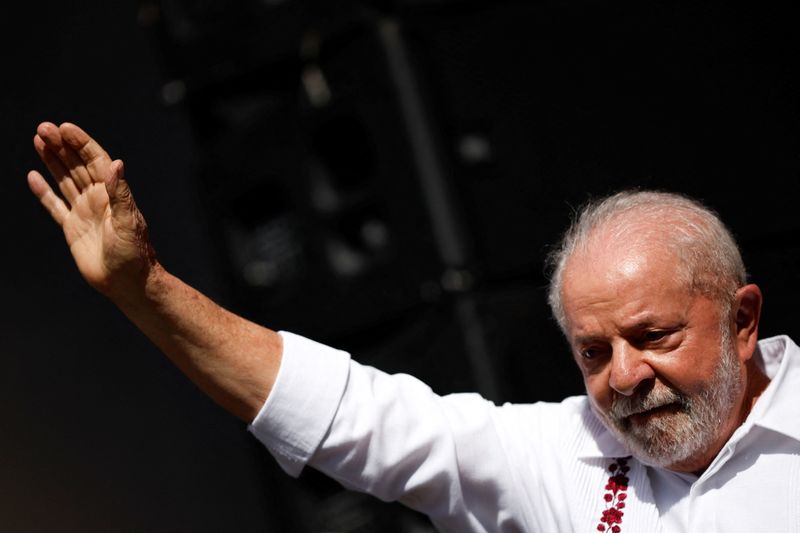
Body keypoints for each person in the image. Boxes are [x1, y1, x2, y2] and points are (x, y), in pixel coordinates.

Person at [28, 121, 800, 532]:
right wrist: (147, 290)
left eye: (654, 335)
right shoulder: (564, 456)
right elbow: (353, 418)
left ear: (742, 318)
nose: (624, 376)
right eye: (594, 352)